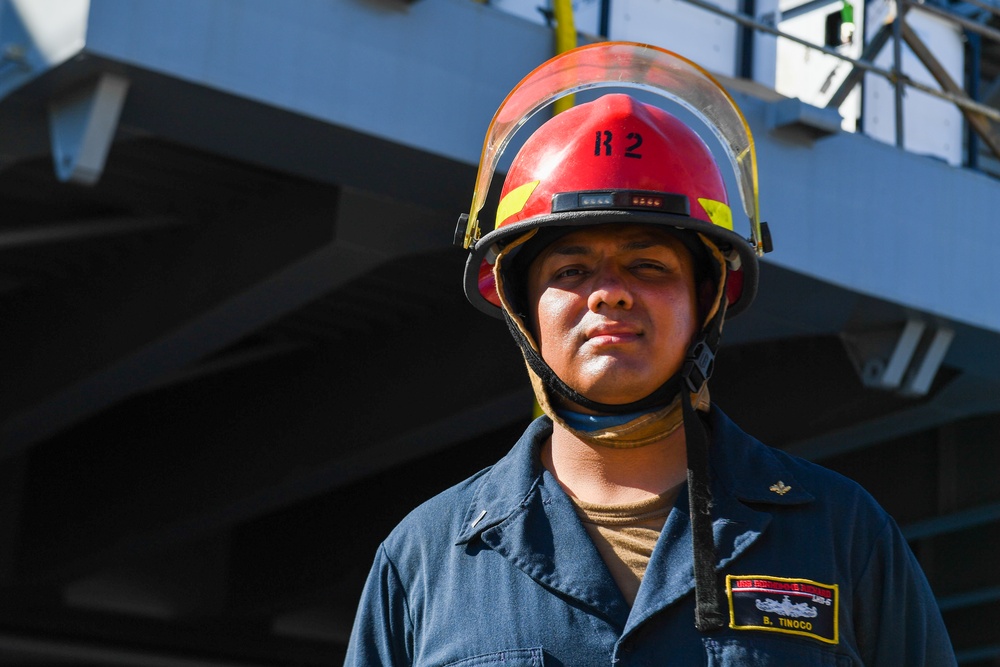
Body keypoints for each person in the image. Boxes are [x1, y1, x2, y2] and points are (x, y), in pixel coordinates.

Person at [344, 43, 956, 666]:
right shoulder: (424, 560)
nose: (609, 293)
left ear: (708, 297)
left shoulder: (843, 534)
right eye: (573, 268)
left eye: (648, 265)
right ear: (519, 304)